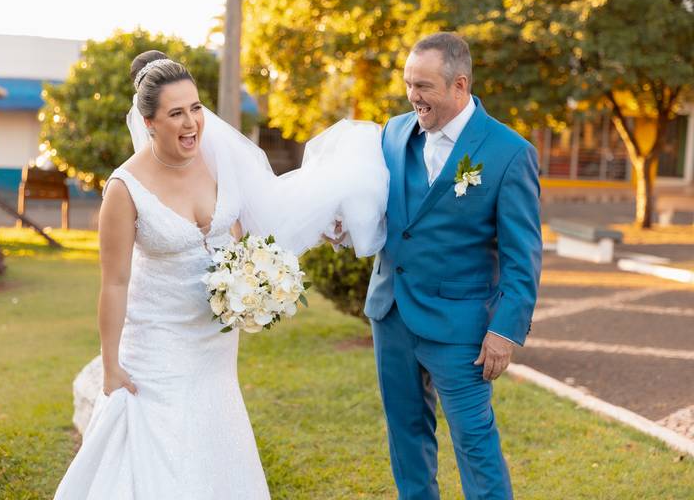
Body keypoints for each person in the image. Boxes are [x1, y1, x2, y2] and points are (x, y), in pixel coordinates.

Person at [54, 50, 389, 499]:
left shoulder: (217, 162)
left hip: (213, 346)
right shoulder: (124, 188)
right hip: (156, 346)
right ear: (148, 121)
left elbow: (258, 222)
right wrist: (111, 365)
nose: (191, 122)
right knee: (159, 454)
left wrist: (312, 234)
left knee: (212, 441)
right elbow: (114, 282)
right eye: (176, 113)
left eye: (195, 108)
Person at [363, 32, 542, 499]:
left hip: (461, 327)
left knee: (475, 442)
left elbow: (523, 257)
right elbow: (383, 212)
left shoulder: (509, 152)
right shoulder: (393, 131)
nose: (412, 96)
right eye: (407, 84)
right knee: (405, 435)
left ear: (460, 85)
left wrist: (505, 330)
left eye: (423, 86)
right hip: (392, 313)